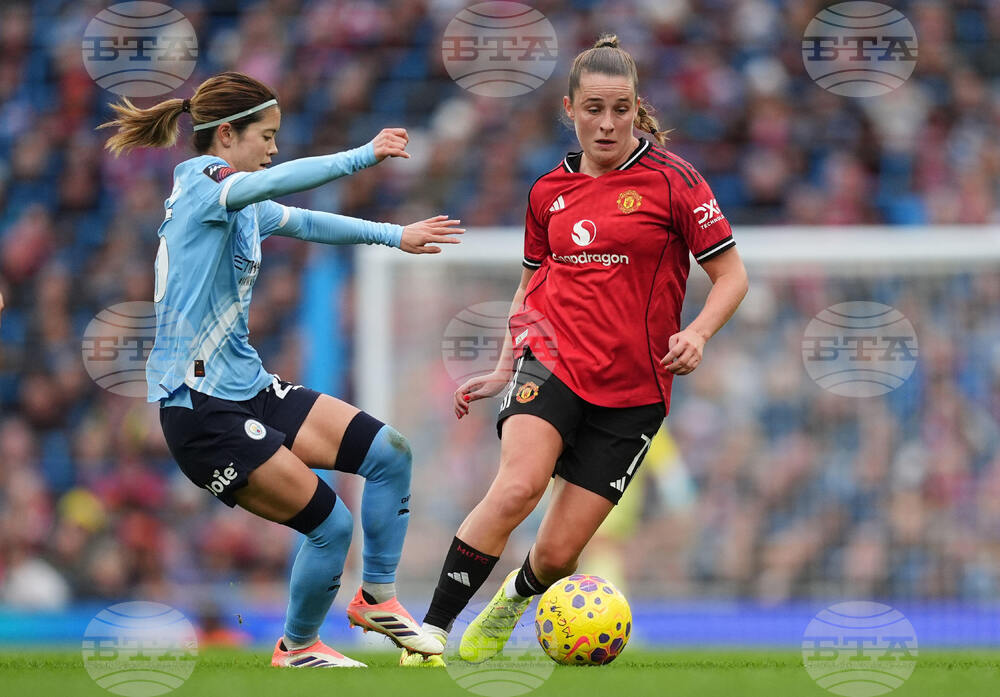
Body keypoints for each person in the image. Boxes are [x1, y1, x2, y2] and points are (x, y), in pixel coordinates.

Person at [402, 36, 748, 666]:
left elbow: (732, 276)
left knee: (560, 554)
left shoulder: (675, 182)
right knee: (517, 487)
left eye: (620, 108)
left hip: (636, 393)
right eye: (594, 108)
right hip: (552, 364)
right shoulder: (546, 194)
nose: (607, 123)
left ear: (636, 108)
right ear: (571, 109)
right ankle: (430, 631)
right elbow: (531, 283)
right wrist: (505, 366)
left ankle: (513, 599)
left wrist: (697, 332)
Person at [100, 71, 462, 668]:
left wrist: (397, 236)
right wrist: (364, 156)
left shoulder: (238, 203)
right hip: (200, 411)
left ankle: (377, 598)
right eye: (265, 135)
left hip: (250, 391)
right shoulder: (201, 187)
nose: (273, 147)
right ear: (225, 137)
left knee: (390, 453)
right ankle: (296, 648)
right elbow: (280, 181)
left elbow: (308, 222)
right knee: (330, 524)